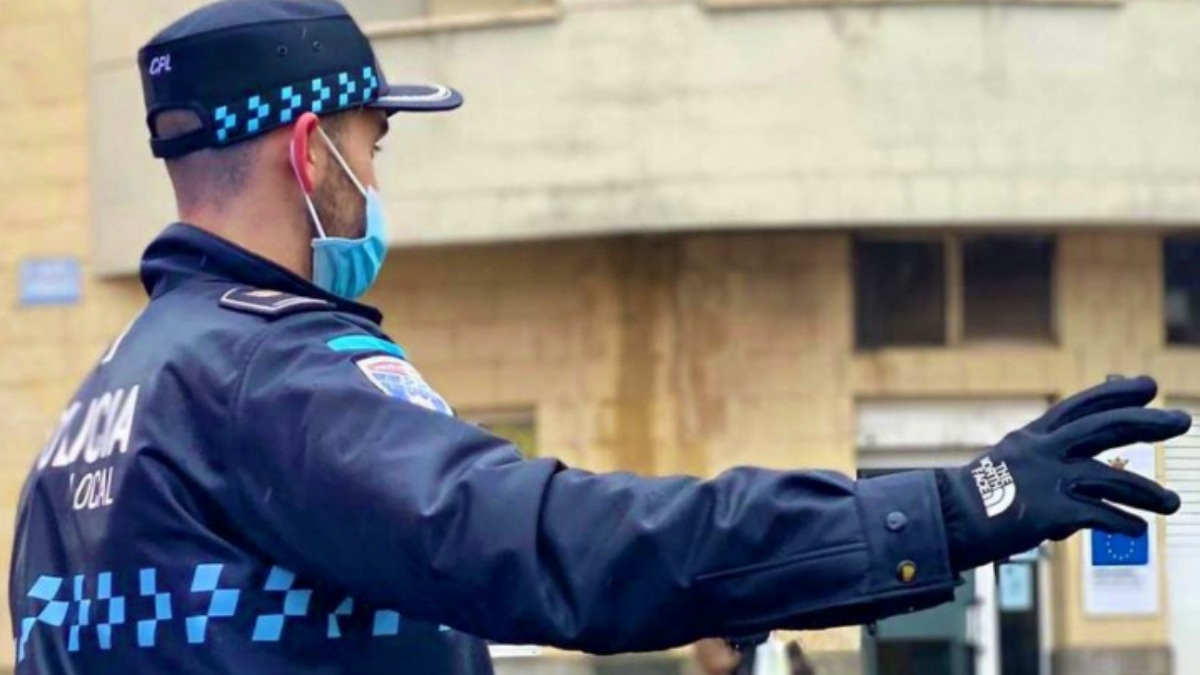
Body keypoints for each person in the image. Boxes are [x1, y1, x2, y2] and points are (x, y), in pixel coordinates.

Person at [8, 1, 1190, 673]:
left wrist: (724, 590)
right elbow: (550, 544)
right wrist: (947, 508)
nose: (375, 176)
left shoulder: (92, 418)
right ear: (310, 150)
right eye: (375, 145)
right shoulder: (272, 374)